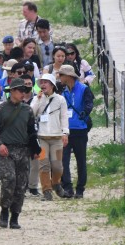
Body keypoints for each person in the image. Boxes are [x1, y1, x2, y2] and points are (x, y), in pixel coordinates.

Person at [0, 78, 37, 229]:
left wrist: (35, 149)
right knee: (9, 180)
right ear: (12, 92)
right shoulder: (0, 109)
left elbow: (31, 132)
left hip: (23, 150)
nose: (23, 93)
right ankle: (4, 210)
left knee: (21, 184)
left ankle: (15, 215)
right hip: (6, 150)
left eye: (25, 91)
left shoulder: (28, 110)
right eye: (20, 90)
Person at [31, 73, 69, 200]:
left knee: (57, 165)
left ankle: (56, 183)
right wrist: (37, 99)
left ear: (52, 85)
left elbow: (64, 116)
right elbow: (31, 113)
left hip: (57, 138)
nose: (43, 85)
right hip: (42, 138)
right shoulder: (38, 98)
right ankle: (46, 190)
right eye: (41, 82)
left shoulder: (60, 99)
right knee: (44, 165)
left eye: (45, 82)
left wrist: (65, 133)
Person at [59, 63, 94, 199]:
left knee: (81, 160)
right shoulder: (63, 91)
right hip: (66, 130)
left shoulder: (84, 89)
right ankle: (67, 187)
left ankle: (80, 188)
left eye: (61, 75)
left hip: (80, 130)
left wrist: (84, 113)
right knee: (64, 160)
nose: (59, 77)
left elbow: (89, 104)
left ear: (68, 76)